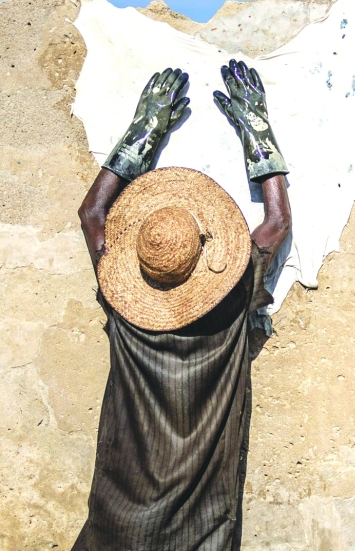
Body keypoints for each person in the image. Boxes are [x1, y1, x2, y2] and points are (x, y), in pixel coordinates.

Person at [73, 60, 291, 550]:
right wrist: (255, 126)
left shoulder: (123, 308)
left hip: (118, 519)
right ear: (206, 247)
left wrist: (142, 131)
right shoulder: (232, 301)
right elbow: (276, 222)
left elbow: (92, 214)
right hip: (201, 529)